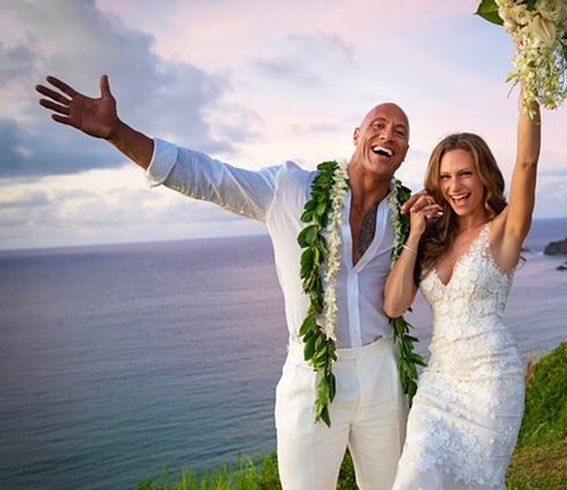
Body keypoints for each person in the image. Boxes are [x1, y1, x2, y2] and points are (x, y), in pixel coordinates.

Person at [35, 74, 428, 490]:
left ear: (404, 152)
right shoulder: (290, 189)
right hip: (311, 376)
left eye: (400, 132)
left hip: (382, 372)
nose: (388, 135)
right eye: (378, 125)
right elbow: (212, 178)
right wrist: (118, 133)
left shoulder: (408, 214)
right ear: (357, 135)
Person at [384, 89, 541, 489]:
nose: (455, 186)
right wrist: (416, 233)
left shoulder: (505, 230)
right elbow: (394, 305)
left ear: (485, 175)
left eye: (465, 174)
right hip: (438, 386)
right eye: (445, 177)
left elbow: (526, 162)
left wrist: (530, 82)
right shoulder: (433, 239)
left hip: (491, 383)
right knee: (413, 478)